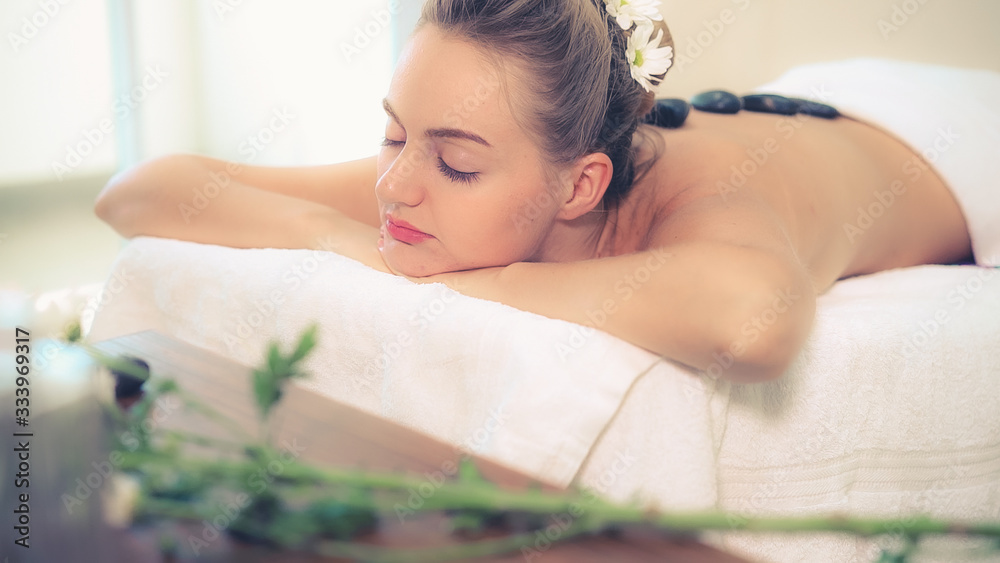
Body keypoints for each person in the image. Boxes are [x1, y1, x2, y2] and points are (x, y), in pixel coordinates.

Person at [95, 0, 997, 383]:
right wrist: (328, 237)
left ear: (583, 185)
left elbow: (756, 322)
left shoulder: (712, 204)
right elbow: (139, 193)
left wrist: (467, 281)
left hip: (960, 134)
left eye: (455, 164)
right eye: (393, 132)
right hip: (822, 87)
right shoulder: (429, 169)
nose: (397, 185)